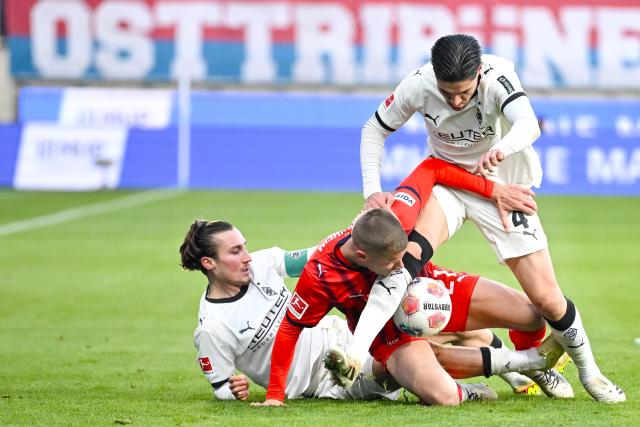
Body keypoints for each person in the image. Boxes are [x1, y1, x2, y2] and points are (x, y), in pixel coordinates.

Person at [358, 33, 624, 402]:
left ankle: (589, 372)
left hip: (503, 189)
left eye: (463, 93)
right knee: (407, 262)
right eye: (447, 92)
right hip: (447, 184)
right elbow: (374, 129)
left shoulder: (499, 76)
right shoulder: (418, 84)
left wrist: (501, 149)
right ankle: (363, 355)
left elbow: (528, 124)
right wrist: (372, 189)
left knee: (546, 300)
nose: (454, 101)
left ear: (479, 73)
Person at [179, 219, 562, 402]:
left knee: (431, 312)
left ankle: (519, 371)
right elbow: (222, 390)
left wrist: (354, 241)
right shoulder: (212, 327)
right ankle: (504, 372)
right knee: (418, 367)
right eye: (235, 252)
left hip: (340, 336)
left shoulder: (261, 264)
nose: (246, 257)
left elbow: (313, 258)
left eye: (244, 246)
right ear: (209, 264)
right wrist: (236, 390)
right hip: (323, 383)